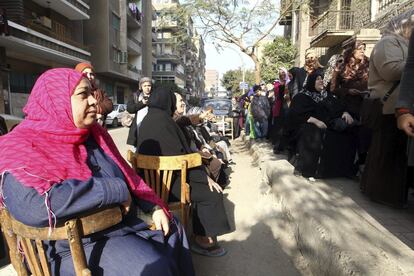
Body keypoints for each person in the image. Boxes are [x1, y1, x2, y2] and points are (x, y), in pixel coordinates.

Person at [0, 68, 194, 275]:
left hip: (115, 226)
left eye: (92, 93)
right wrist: (113, 190)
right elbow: (34, 207)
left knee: (173, 228)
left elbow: (127, 175)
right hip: (67, 245)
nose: (94, 100)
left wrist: (152, 206)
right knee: (154, 268)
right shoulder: (18, 146)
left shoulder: (93, 135)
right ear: (56, 100)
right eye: (84, 94)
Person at [137, 87, 231, 257]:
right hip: (168, 185)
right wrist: (204, 178)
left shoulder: (147, 120)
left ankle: (198, 232)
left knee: (204, 183)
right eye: (174, 101)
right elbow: (182, 158)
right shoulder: (165, 123)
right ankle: (203, 241)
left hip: (151, 183)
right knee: (211, 193)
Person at [360, 10, 414, 208]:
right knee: (386, 151)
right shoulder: (388, 42)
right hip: (388, 106)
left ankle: (388, 193)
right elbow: (390, 70)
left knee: (394, 153)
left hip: (398, 106)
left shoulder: (404, 43)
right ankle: (381, 193)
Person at [286, 71, 357, 178]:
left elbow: (339, 107)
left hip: (329, 125)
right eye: (318, 79)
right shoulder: (301, 96)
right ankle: (311, 170)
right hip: (309, 126)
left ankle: (343, 171)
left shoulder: (327, 96)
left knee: (349, 130)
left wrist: (345, 112)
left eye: (322, 79)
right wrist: (316, 121)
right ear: (311, 81)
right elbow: (296, 114)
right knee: (312, 131)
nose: (321, 81)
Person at [74, 62, 113, 127]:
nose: (89, 77)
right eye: (85, 73)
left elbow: (109, 106)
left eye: (91, 74)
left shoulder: (100, 91)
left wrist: (94, 109)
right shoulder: (74, 91)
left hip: (100, 128)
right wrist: (95, 114)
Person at [127, 77, 152, 147]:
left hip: (151, 126)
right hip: (137, 127)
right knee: (137, 152)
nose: (147, 88)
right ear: (141, 86)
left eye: (149, 85)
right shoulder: (135, 96)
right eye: (145, 86)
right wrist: (142, 103)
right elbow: (130, 108)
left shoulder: (154, 96)